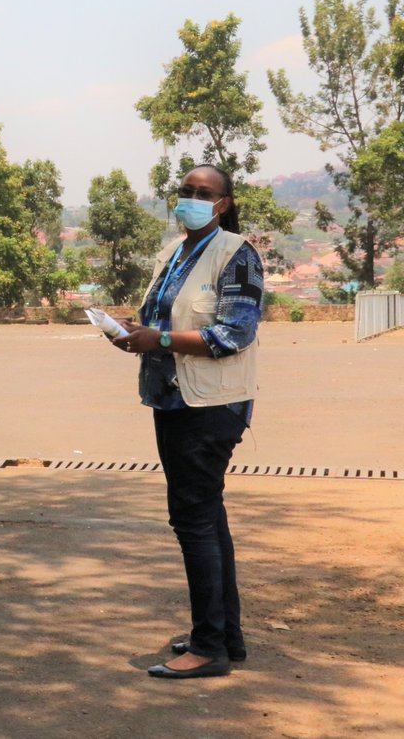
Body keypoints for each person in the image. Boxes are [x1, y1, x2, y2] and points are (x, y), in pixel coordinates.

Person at [111, 164, 263, 679]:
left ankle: (209, 647)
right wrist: (134, 334)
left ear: (222, 204)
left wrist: (163, 341)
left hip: (209, 408)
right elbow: (162, 322)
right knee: (207, 518)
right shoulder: (175, 253)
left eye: (205, 193)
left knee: (193, 521)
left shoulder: (235, 253)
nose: (192, 199)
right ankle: (225, 636)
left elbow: (233, 334)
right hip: (172, 401)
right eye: (186, 191)